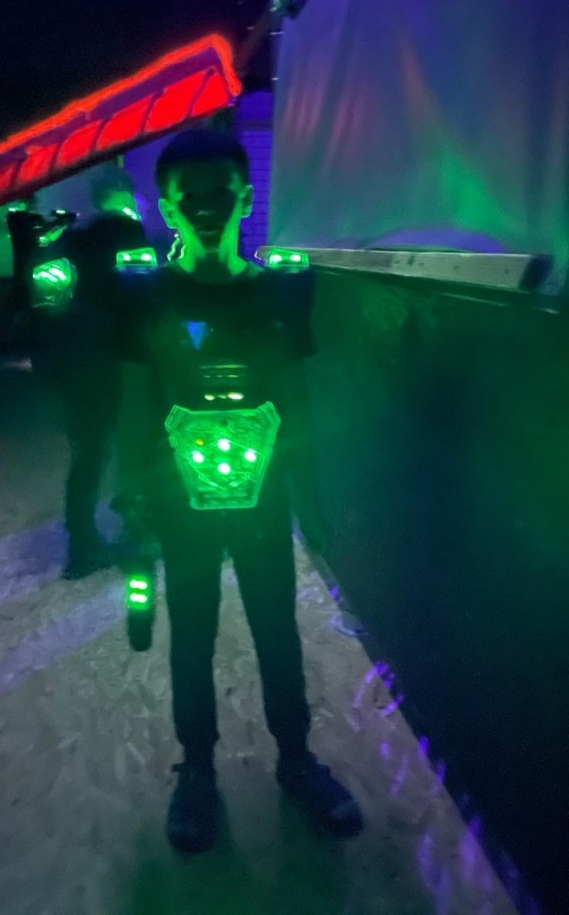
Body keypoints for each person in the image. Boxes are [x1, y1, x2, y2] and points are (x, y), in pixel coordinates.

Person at [113, 128, 363, 854]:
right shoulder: (146, 293)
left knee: (276, 629)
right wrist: (130, 496)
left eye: (220, 191)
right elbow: (135, 402)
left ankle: (297, 759)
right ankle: (196, 769)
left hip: (264, 498)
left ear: (246, 197)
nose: (206, 206)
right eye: (188, 195)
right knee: (191, 635)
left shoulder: (281, 291)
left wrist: (312, 494)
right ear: (166, 206)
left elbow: (296, 396)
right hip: (178, 500)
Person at [48, 166, 150, 578]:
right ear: (124, 195)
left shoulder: (72, 238)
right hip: (121, 358)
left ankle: (81, 548)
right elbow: (144, 295)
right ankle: (136, 532)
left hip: (77, 358)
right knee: (134, 449)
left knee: (87, 457)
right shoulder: (132, 233)